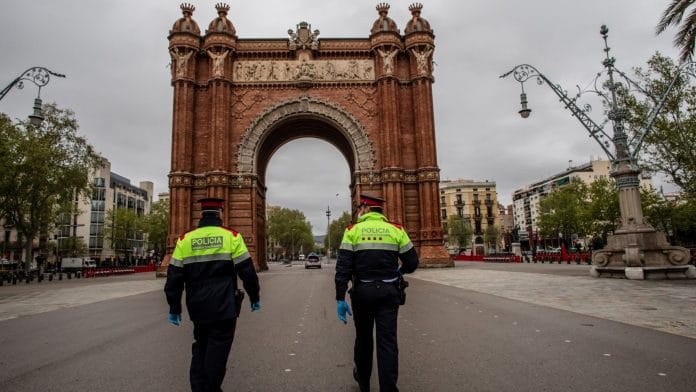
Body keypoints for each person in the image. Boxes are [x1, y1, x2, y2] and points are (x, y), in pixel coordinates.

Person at [164, 197, 261, 392]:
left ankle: (199, 387)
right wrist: (254, 297)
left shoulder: (185, 239)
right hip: (224, 306)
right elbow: (247, 272)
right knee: (217, 352)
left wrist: (174, 307)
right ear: (221, 213)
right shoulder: (231, 237)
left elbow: (173, 277)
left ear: (202, 214)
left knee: (200, 346)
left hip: (197, 307)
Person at [335, 194, 419, 392]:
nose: (357, 212)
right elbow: (413, 263)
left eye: (358, 209)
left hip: (362, 292)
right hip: (389, 292)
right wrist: (400, 271)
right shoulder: (396, 230)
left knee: (363, 339)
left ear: (364, 208)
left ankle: (364, 383)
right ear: (380, 211)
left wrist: (340, 297)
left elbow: (343, 269)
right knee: (387, 342)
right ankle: (388, 388)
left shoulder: (352, 231)